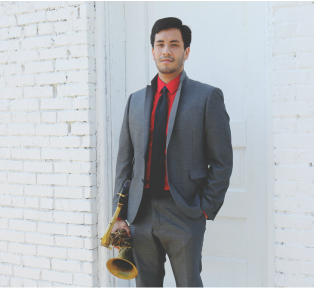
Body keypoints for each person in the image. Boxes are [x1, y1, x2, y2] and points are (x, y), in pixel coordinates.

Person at [110, 17, 233, 288]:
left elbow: (222, 161)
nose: (167, 50)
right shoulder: (135, 100)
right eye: (160, 44)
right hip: (140, 215)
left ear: (186, 52)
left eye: (174, 44)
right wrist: (119, 215)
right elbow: (124, 161)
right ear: (152, 51)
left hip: (185, 213)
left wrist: (204, 209)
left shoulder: (207, 97)